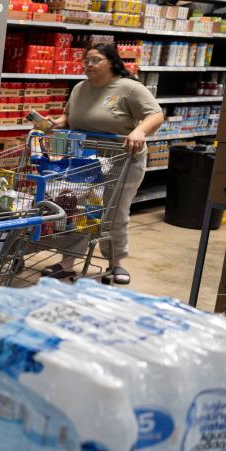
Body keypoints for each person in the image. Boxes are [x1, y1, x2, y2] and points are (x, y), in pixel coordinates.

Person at [43, 43, 164, 284]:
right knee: (75, 209)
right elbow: (70, 115)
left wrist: (139, 131)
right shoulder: (79, 88)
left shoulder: (129, 88)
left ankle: (115, 263)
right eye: (86, 60)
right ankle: (67, 262)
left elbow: (156, 114)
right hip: (85, 161)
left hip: (122, 160)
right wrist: (59, 122)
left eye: (95, 60)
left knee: (113, 213)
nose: (88, 65)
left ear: (111, 62)